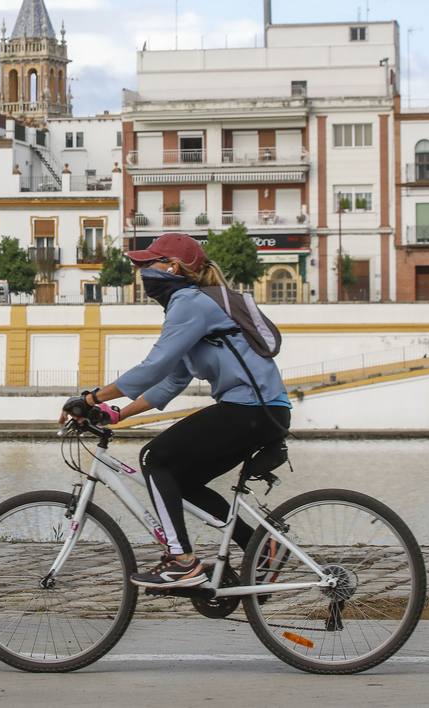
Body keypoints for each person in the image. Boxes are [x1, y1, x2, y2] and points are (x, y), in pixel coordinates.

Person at [66, 232, 291, 589]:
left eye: (147, 263)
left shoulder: (190, 302)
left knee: (155, 458)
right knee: (181, 481)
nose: (141, 271)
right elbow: (171, 381)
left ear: (172, 267)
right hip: (262, 411)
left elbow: (152, 368)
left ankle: (182, 561)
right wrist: (118, 413)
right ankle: (262, 547)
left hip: (249, 409)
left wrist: (92, 398)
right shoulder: (192, 306)